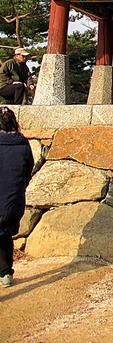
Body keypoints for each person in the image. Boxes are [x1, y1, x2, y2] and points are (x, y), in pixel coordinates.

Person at [0, 107, 33, 288]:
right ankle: (5, 274)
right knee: (4, 234)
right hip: (12, 202)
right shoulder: (23, 144)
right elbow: (27, 171)